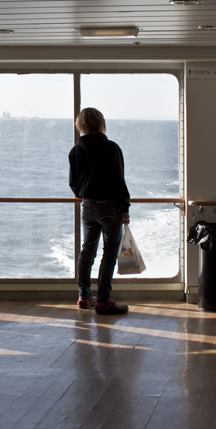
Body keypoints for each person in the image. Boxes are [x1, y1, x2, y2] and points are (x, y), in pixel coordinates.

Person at [68, 107, 130, 315]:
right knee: (110, 252)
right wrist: (125, 208)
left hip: (87, 205)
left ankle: (84, 297)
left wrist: (83, 194)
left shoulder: (76, 150)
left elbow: (73, 183)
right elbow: (119, 181)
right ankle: (103, 300)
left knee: (87, 251)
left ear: (81, 125)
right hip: (109, 206)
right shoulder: (111, 148)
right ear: (101, 123)